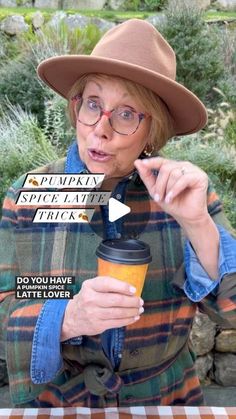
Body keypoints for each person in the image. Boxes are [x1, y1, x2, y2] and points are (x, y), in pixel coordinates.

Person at [0, 18, 235, 408]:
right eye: (93, 104)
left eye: (126, 114)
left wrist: (197, 223)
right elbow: (9, 302)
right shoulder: (36, 195)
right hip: (62, 404)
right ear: (76, 107)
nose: (100, 130)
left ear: (153, 129)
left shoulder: (182, 193)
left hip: (165, 401)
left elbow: (231, 309)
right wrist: (69, 316)